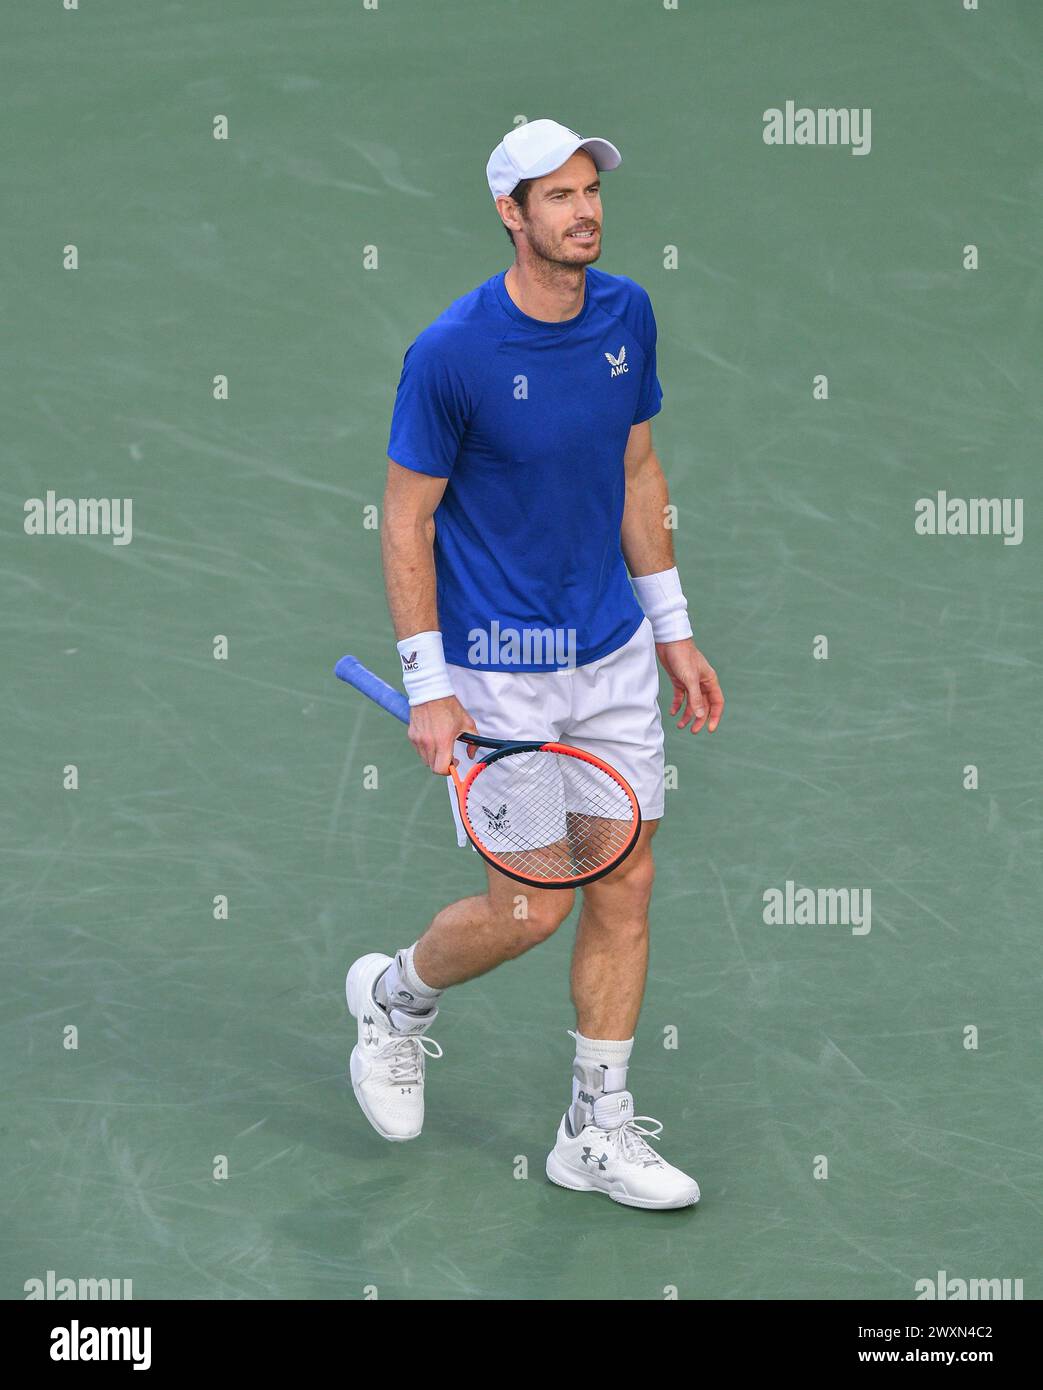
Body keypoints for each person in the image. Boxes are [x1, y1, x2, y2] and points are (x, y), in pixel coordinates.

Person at [345, 118, 724, 1209]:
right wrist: (430, 682)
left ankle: (592, 1130)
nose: (582, 211)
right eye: (554, 197)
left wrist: (673, 629)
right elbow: (405, 518)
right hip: (499, 670)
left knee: (626, 886)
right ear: (510, 214)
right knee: (531, 909)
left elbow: (636, 469)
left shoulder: (625, 315)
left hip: (607, 655)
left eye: (587, 190)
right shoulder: (452, 353)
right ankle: (395, 1001)